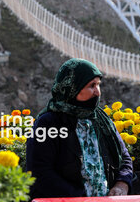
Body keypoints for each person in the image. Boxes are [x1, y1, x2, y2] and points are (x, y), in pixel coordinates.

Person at [26, 58, 133, 198]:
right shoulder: (48, 123)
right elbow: (39, 172)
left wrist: (122, 184)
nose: (97, 92)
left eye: (98, 85)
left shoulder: (101, 120)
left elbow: (124, 158)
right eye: (91, 86)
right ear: (72, 88)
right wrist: (80, 197)